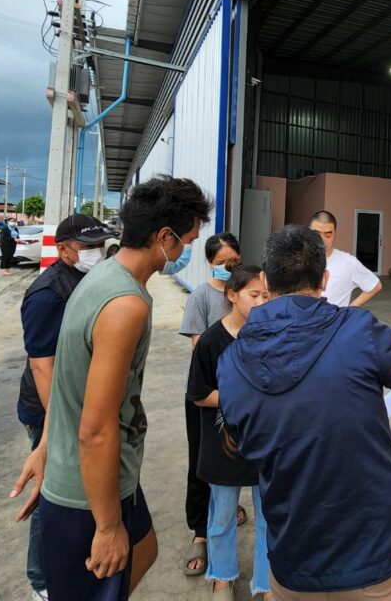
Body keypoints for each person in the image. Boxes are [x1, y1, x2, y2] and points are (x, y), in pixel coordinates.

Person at [218, 225, 391, 600]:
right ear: (324, 280)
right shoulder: (358, 331)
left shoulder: (231, 361)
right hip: (379, 559)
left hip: (295, 564)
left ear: (266, 281)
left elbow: (241, 442)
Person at [11, 176, 213, 601]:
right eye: (188, 241)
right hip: (87, 490)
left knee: (145, 549)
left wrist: (46, 443)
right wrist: (106, 526)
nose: (186, 252)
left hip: (105, 472)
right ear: (164, 237)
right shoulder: (125, 305)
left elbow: (70, 379)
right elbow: (96, 429)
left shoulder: (105, 275)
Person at [16, 214, 116, 601]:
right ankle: (41, 579)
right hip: (51, 408)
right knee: (52, 489)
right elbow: (43, 367)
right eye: (88, 247)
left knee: (82, 485)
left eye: (100, 246)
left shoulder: (89, 279)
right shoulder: (47, 294)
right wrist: (60, 421)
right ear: (63, 250)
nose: (96, 253)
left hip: (81, 400)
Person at [186, 265, 270, 600]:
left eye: (266, 296)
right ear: (232, 296)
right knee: (221, 517)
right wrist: (241, 395)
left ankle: (266, 583)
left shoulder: (271, 336)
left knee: (269, 518)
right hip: (224, 448)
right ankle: (222, 576)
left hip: (265, 446)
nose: (261, 303)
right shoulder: (210, 341)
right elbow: (199, 394)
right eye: (254, 295)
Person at [178, 232, 244, 576]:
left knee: (235, 454)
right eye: (222, 263)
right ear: (209, 263)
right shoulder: (202, 296)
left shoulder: (245, 294)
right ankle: (200, 532)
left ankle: (229, 507)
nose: (228, 267)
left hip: (240, 395)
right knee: (201, 459)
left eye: (234, 262)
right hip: (207, 392)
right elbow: (199, 347)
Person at [308, 211, 382, 307]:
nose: (322, 240)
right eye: (316, 234)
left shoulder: (348, 262)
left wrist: (348, 310)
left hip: (334, 316)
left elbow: (375, 286)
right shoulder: (297, 259)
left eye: (328, 235)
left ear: (335, 234)